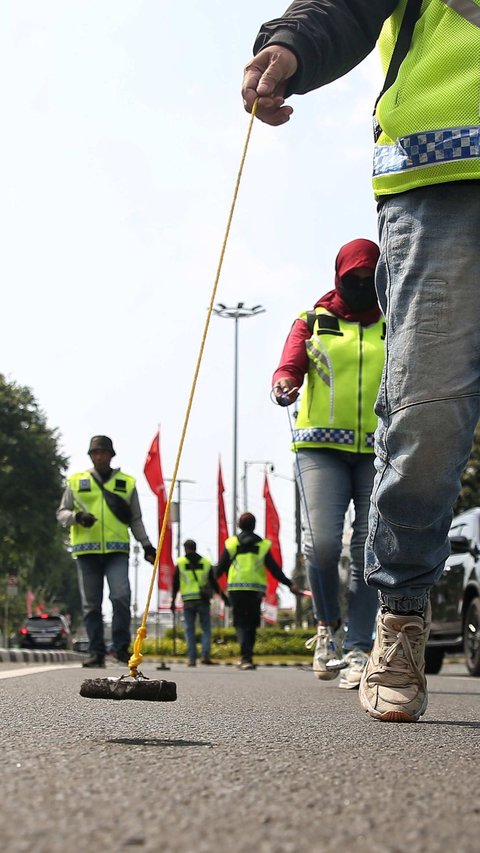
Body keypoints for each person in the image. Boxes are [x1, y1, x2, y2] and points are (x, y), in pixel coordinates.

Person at [242, 1, 480, 721]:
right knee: (427, 415)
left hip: (357, 450)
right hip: (444, 164)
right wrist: (290, 46)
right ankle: (399, 615)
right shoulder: (314, 318)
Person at [273, 238, 383, 688]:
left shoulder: (393, 320)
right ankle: (328, 630)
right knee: (320, 545)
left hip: (379, 449)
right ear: (338, 277)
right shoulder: (312, 319)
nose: (360, 286)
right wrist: (284, 383)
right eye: (351, 280)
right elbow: (289, 365)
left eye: (368, 280)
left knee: (368, 549)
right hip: (320, 446)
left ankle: (359, 647)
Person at [57, 435, 157, 668]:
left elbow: (136, 519)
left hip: (117, 550)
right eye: (95, 453)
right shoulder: (76, 481)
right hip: (86, 551)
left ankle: (121, 648)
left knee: (121, 596)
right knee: (91, 605)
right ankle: (96, 652)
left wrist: (147, 545)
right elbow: (61, 512)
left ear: (111, 455)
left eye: (103, 452)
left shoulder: (127, 483)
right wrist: (76, 517)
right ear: (90, 456)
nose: (99, 456)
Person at [215, 512, 300, 669]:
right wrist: (289, 584)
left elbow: (219, 569)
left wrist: (212, 586)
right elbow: (274, 569)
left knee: (240, 623)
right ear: (254, 526)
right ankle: (249, 657)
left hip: (236, 589)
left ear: (239, 526)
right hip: (255, 590)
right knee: (252, 623)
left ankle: (244, 658)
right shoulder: (262, 545)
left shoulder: (231, 544)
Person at [171, 539, 229, 667]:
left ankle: (191, 659)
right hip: (203, 599)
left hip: (188, 600)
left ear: (185, 548)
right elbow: (213, 582)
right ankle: (205, 656)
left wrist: (173, 601)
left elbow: (175, 583)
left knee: (189, 629)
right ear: (195, 548)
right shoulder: (206, 562)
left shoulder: (180, 563)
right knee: (206, 629)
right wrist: (224, 597)